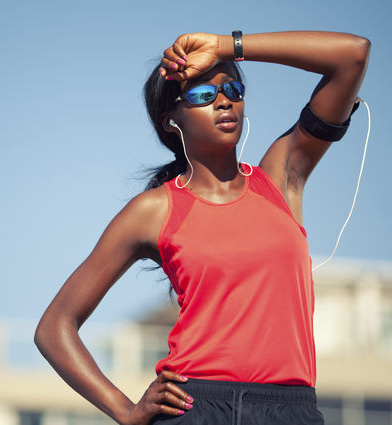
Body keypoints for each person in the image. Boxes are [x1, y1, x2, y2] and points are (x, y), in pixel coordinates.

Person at [35, 30, 370, 425]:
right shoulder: (154, 209)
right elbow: (54, 327)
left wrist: (227, 47)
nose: (224, 100)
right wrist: (124, 409)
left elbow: (352, 56)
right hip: (195, 409)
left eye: (232, 88)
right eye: (201, 95)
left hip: (290, 409)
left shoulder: (281, 179)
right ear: (171, 118)